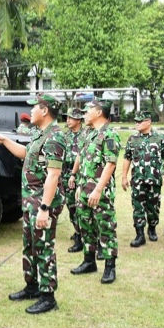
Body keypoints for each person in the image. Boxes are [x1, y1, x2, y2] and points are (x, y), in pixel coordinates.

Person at [0, 94, 66, 314]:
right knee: (30, 246)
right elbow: (25, 154)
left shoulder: (54, 138)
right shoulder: (40, 134)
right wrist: (4, 141)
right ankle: (31, 286)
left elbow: (53, 175)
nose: (30, 111)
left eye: (34, 108)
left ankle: (48, 296)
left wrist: (44, 208)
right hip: (30, 202)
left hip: (42, 203)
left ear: (44, 110)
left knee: (43, 248)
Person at [68, 99, 121, 284]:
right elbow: (80, 156)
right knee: (85, 226)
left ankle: (109, 267)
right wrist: (75, 177)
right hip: (84, 188)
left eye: (88, 111)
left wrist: (98, 189)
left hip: (100, 191)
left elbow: (111, 163)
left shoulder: (110, 134)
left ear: (99, 113)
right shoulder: (88, 133)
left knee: (105, 227)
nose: (84, 114)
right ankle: (89, 261)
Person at [121, 110, 164, 247]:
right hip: (137, 179)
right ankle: (139, 234)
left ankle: (152, 228)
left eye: (139, 121)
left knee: (153, 207)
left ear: (148, 122)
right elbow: (127, 158)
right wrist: (124, 176)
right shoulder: (132, 139)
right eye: (135, 121)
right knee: (137, 206)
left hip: (154, 179)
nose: (136, 124)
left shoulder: (160, 138)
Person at [61, 107, 86, 253]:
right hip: (67, 175)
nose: (68, 120)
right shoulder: (66, 136)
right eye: (67, 117)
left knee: (84, 208)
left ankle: (86, 235)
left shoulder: (86, 135)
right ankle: (78, 233)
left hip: (82, 175)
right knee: (72, 207)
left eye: (71, 118)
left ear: (78, 119)